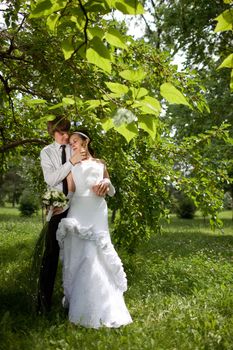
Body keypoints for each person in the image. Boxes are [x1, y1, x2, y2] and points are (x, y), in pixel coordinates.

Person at [56, 131, 133, 328]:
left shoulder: (100, 163)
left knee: (96, 253)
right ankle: (80, 305)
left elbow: (112, 189)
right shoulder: (71, 166)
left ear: (86, 141)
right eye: (70, 143)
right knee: (82, 255)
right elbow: (71, 193)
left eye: (75, 141)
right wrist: (59, 206)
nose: (72, 145)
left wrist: (107, 183)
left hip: (97, 210)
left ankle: (103, 305)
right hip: (78, 210)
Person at [37, 117, 109, 314]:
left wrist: (105, 183)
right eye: (60, 132)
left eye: (67, 132)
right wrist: (70, 162)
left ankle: (78, 299)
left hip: (77, 205)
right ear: (52, 132)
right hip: (58, 207)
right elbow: (51, 178)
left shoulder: (73, 146)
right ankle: (43, 305)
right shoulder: (47, 152)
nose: (65, 136)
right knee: (51, 253)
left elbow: (91, 169)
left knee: (78, 253)